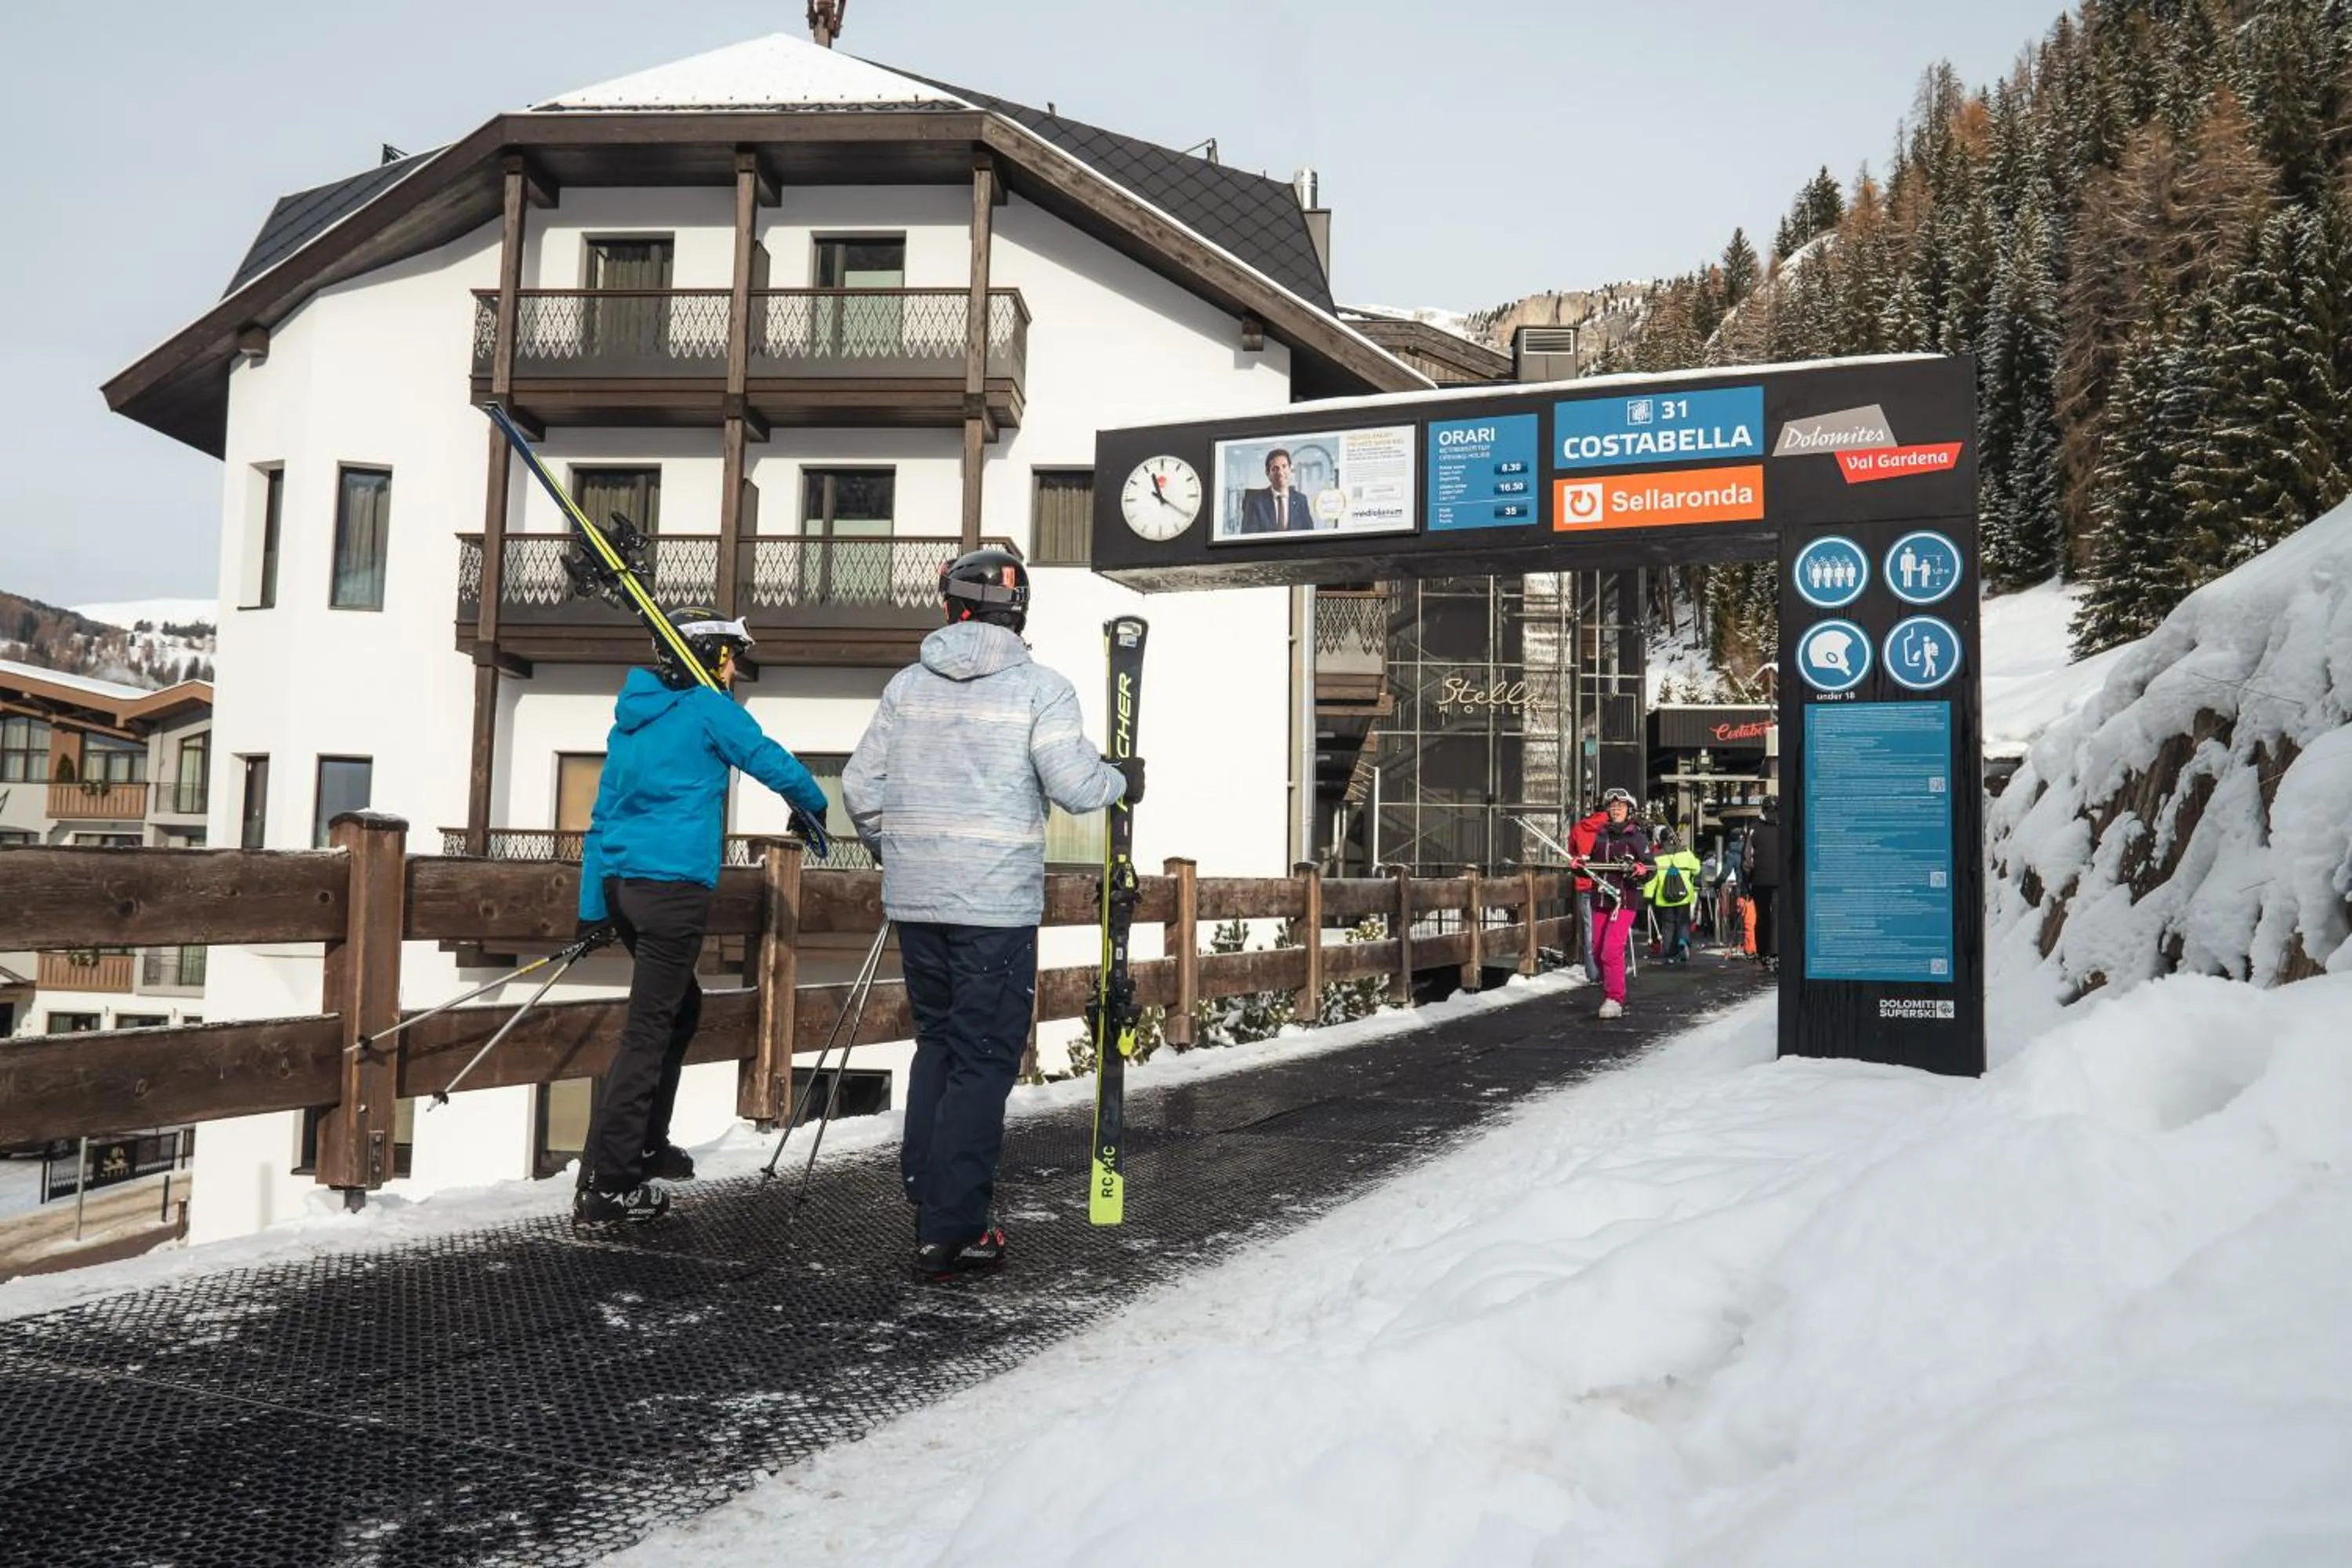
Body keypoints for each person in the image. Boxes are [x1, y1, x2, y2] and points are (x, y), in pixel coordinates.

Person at [844, 548, 1141, 1279]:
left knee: (939, 1046)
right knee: (983, 1062)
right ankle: (954, 1230)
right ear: (1019, 612)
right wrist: (1122, 778)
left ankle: (930, 1199)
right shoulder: (1040, 689)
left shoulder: (906, 688)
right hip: (995, 907)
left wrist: (906, 852)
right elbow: (1074, 786)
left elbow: (859, 787)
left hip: (919, 903)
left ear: (950, 607)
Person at [573, 608, 831, 1225]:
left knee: (679, 1009)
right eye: (729, 656)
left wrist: (591, 911)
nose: (735, 668)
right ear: (710, 655)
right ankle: (609, 1186)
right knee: (648, 1029)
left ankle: (646, 1144)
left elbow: (602, 817)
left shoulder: (632, 721)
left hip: (621, 888)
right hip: (671, 893)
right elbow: (768, 759)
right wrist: (815, 806)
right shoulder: (708, 710)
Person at [1571, 787, 1650, 1019]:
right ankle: (1612, 983)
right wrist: (1580, 867)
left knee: (1611, 950)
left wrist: (1639, 870)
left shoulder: (1636, 835)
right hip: (1601, 898)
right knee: (1596, 951)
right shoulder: (1601, 834)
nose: (1616, 810)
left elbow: (1649, 866)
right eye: (1613, 807)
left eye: (1621, 807)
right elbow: (1594, 867)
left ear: (1629, 810)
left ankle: (1614, 998)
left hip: (1623, 900)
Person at [1642, 826, 1704, 966]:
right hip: (1683, 895)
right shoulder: (1685, 851)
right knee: (1683, 921)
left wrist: (1647, 896)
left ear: (1661, 840)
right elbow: (1697, 868)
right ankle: (1683, 941)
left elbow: (1652, 878)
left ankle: (1670, 952)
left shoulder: (1657, 855)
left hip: (1664, 897)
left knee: (1668, 925)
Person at [1566, 803, 1610, 979]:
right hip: (1607, 883)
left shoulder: (1579, 828)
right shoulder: (1611, 828)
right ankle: (1610, 969)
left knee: (1589, 928)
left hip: (1585, 883)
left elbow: (1572, 853)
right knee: (1610, 928)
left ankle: (1592, 972)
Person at [1744, 797, 1784, 973]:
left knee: (1762, 917)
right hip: (1782, 881)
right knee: (1778, 917)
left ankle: (1764, 954)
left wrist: (1748, 881)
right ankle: (1777, 953)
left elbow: (1746, 859)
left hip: (1760, 880)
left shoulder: (1754, 829)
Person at [1236, 448, 1316, 534]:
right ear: (1268, 473)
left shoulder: (1301, 500)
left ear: (1290, 470)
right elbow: (1248, 536)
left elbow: (1309, 533)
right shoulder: (1255, 501)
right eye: (1275, 468)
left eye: (1284, 466)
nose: (1280, 472)